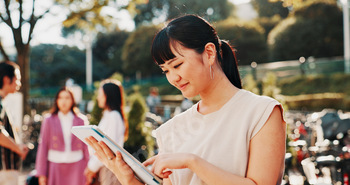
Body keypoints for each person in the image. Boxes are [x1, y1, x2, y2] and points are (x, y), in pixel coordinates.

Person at [86, 14, 286, 185]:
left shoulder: (262, 112)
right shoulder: (172, 129)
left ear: (209, 53)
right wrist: (129, 179)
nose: (173, 78)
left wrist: (192, 162)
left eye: (178, 65)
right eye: (166, 70)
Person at [35, 87, 89, 185]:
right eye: (60, 98)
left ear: (72, 100)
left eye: (67, 98)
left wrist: (89, 169)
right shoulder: (48, 120)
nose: (64, 101)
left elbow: (86, 146)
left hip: (77, 166)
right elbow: (43, 146)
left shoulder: (81, 120)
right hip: (55, 165)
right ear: (57, 100)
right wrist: (41, 173)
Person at [84, 80, 129, 185]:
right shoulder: (110, 115)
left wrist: (91, 168)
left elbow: (106, 146)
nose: (98, 97)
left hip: (109, 167)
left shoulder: (113, 116)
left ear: (108, 96)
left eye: (100, 94)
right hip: (105, 165)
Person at [0, 61, 29, 185]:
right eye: (17, 79)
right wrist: (18, 148)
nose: (19, 84)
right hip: (4, 170)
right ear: (7, 79)